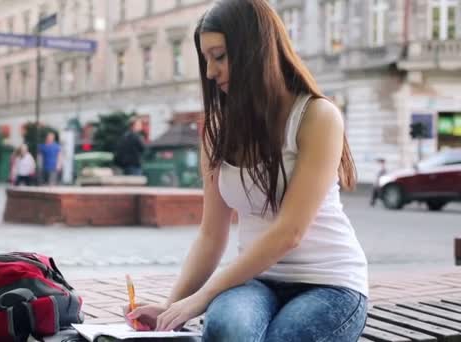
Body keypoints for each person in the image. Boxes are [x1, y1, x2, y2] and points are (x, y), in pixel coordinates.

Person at [125, 1, 368, 341]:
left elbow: (290, 233)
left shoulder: (317, 116)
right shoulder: (217, 130)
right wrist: (172, 309)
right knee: (227, 328)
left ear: (256, 51)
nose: (210, 72)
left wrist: (202, 298)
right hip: (254, 281)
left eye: (220, 56)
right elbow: (212, 235)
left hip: (329, 282)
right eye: (206, 59)